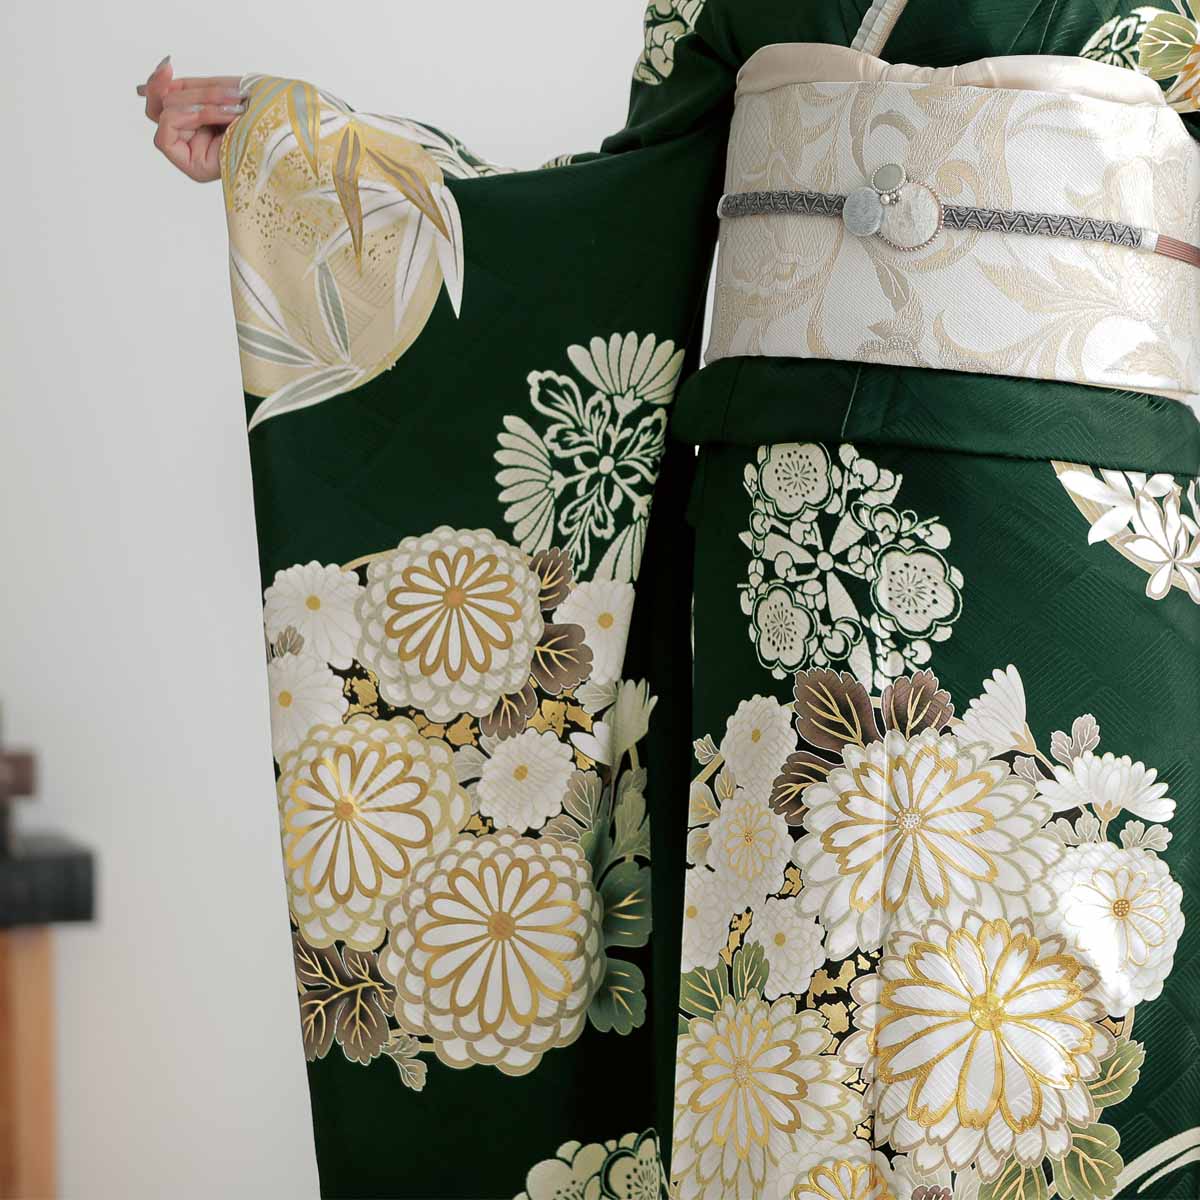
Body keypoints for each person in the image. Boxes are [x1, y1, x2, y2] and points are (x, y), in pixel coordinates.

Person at [137, 4, 1200, 1198]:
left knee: (1076, 995)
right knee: (790, 1024)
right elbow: (622, 207)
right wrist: (314, 165)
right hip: (785, 537)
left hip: (1089, 523)